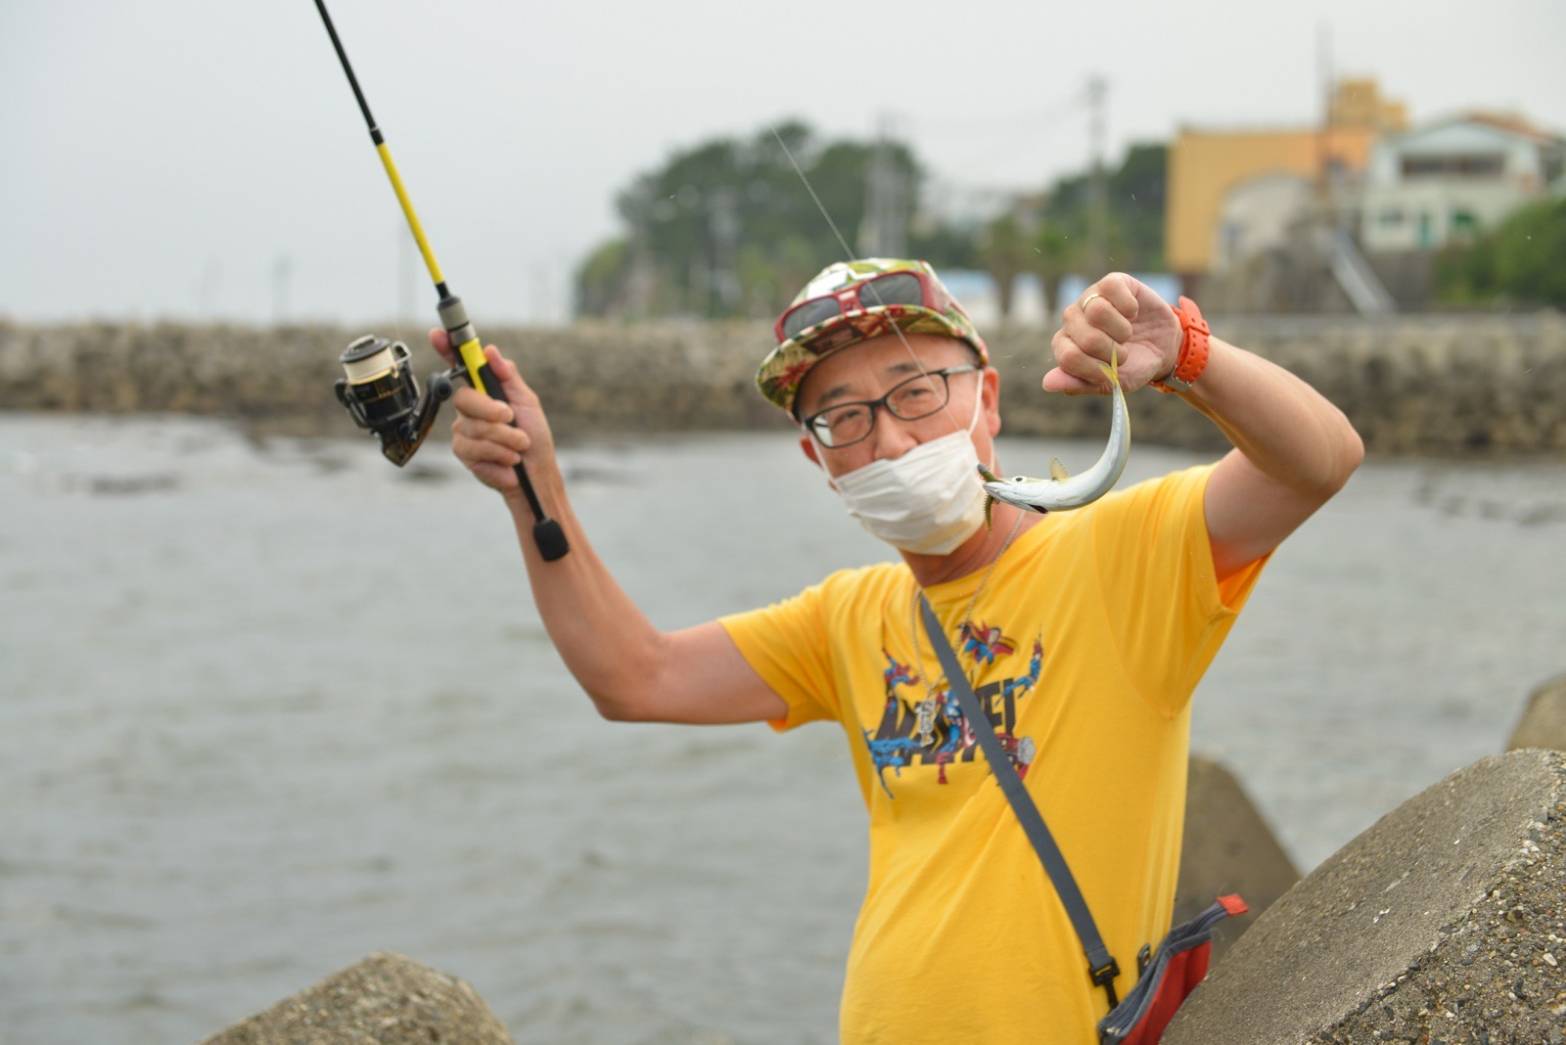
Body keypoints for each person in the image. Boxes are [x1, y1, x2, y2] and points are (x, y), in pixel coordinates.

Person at [430, 259, 1363, 1044]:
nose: (888, 436)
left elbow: (1320, 460)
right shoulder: (849, 618)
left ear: (986, 397)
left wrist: (1189, 358)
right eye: (842, 419)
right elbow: (633, 676)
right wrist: (534, 486)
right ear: (817, 459)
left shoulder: (1122, 557)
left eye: (916, 391)